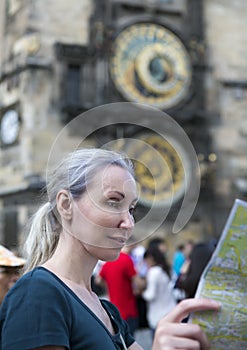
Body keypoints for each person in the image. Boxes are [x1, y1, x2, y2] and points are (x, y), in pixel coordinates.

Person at [0, 148, 220, 349]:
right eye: (113, 202)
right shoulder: (38, 292)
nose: (129, 223)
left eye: (132, 209)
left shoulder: (107, 310)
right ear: (66, 204)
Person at [97, 244, 144, 335]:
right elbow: (138, 282)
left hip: (114, 309)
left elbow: (98, 280)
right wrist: (144, 283)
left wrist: (109, 286)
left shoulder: (108, 262)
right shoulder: (126, 259)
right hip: (128, 310)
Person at [142, 246, 176, 337]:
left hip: (157, 317)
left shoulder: (153, 272)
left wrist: (142, 292)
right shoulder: (166, 269)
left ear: (150, 258)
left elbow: (150, 295)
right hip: (171, 312)